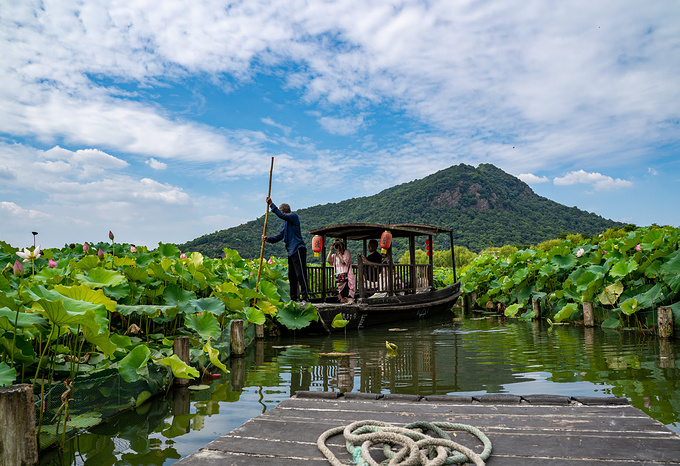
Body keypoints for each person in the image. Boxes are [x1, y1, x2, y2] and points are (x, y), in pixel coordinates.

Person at [262, 197, 310, 305]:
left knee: (300, 274)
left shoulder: (293, 217)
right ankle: (293, 299)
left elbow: (281, 215)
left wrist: (271, 204)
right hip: (291, 251)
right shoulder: (285, 225)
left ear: (283, 211)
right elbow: (279, 237)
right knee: (292, 276)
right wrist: (268, 239)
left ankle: (305, 299)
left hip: (298, 248)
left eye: (281, 212)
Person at [326, 238, 355, 303]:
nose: (338, 246)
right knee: (342, 299)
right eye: (336, 244)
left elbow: (343, 261)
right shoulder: (334, 255)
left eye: (339, 244)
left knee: (349, 298)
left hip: (347, 278)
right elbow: (328, 260)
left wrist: (338, 252)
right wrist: (331, 250)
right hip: (339, 278)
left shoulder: (346, 253)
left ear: (342, 245)